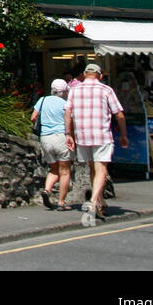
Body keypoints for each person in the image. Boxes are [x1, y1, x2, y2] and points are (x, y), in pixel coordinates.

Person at [64, 62, 128, 227]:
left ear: (85, 74)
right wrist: (123, 134)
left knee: (92, 168)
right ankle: (93, 202)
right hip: (101, 135)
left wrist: (68, 133)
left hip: (83, 136)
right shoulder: (106, 90)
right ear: (100, 76)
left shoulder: (74, 90)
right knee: (102, 169)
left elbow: (68, 112)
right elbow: (119, 114)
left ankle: (100, 202)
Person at [32, 78, 73, 210]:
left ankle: (47, 190)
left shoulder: (42, 100)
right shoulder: (65, 103)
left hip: (45, 138)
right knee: (65, 171)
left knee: (53, 169)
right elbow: (70, 120)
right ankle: (61, 202)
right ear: (64, 91)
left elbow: (33, 117)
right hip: (61, 136)